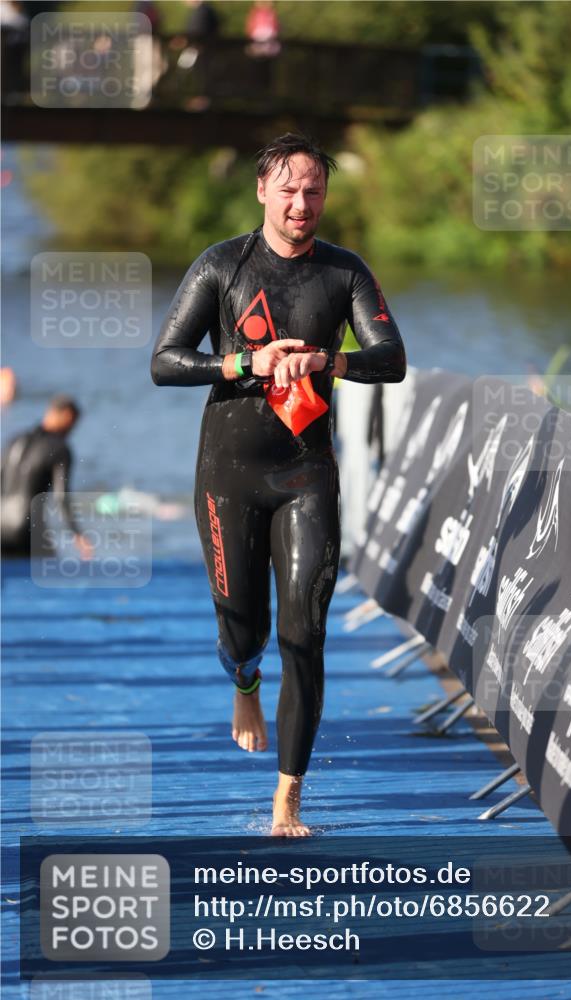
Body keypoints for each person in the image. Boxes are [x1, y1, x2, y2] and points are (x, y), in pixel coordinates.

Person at [151, 132, 406, 836]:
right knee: (244, 622)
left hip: (306, 474)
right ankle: (242, 680)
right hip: (228, 473)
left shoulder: (343, 272)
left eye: (313, 190)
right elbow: (165, 363)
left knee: (306, 632)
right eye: (288, 190)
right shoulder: (220, 266)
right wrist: (244, 364)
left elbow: (390, 358)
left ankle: (287, 799)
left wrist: (329, 361)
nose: (301, 203)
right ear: (262, 191)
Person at [1, 395, 93, 559]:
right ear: (66, 416)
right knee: (51, 578)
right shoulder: (60, 449)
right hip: (26, 529)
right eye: (72, 424)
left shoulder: (14, 440)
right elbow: (61, 497)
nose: (71, 430)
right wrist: (77, 534)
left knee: (7, 580)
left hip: (1, 527)